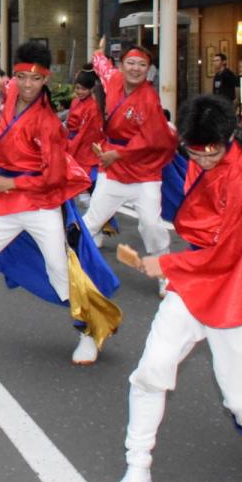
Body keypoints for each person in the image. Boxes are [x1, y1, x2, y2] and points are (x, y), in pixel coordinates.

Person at [111, 95, 242, 482]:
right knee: (151, 371)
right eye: (196, 152)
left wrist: (167, 264)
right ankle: (138, 466)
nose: (205, 159)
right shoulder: (193, 155)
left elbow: (230, 255)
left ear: (229, 137)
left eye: (213, 151)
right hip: (193, 281)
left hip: (241, 284)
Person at [0, 42, 115, 365]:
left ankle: (88, 333)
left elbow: (56, 177)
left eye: (35, 79)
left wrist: (14, 181)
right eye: (21, 77)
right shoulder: (9, 97)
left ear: (45, 79)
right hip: (3, 203)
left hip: (40, 204)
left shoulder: (48, 124)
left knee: (60, 271)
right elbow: (2, 95)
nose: (27, 84)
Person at [81, 41, 177, 296]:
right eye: (131, 63)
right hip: (113, 170)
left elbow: (152, 138)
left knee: (151, 225)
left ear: (149, 69)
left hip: (144, 171)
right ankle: (75, 268)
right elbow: (101, 66)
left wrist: (119, 153)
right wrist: (99, 52)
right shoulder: (112, 79)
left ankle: (163, 273)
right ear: (121, 65)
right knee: (91, 221)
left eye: (142, 65)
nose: (136, 69)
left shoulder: (149, 98)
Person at [65, 69, 104, 206]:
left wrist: (71, 147)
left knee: (87, 179)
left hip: (83, 143)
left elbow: (87, 132)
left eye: (83, 89)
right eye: (77, 88)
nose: (79, 91)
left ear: (91, 89)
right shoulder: (75, 101)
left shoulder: (93, 107)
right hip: (73, 139)